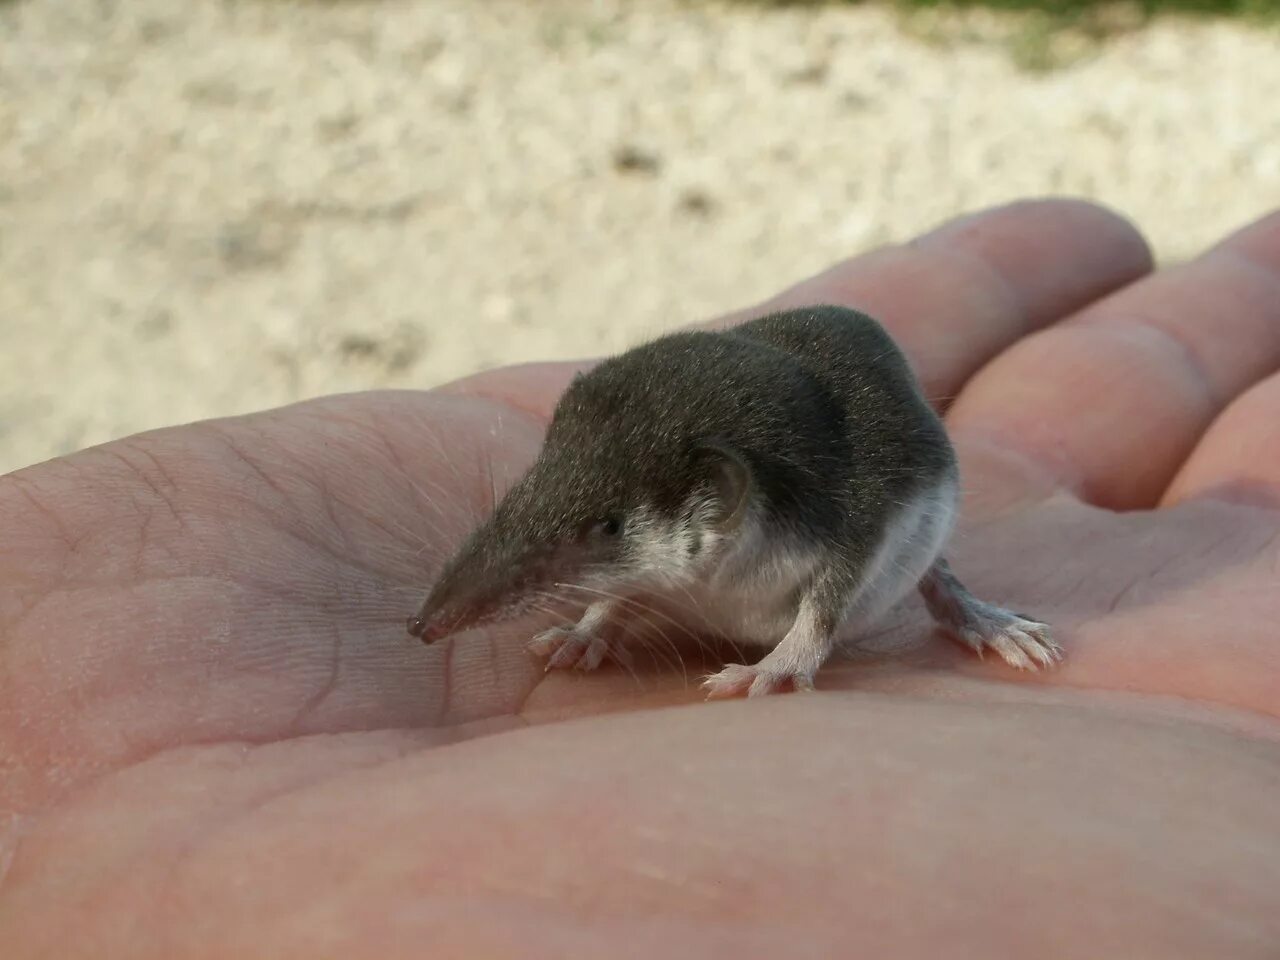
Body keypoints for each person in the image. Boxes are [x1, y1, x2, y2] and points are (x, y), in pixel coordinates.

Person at [1, 198, 1277, 956]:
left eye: (608, 539)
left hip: (856, 475)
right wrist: (607, 597)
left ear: (714, 510)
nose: (461, 614)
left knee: (896, 563)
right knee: (587, 569)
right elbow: (577, 539)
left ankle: (953, 596)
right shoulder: (654, 492)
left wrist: (792, 654)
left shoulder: (820, 518)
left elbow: (823, 587)